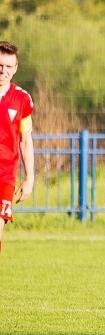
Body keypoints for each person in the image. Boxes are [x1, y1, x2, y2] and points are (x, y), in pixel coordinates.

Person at [0, 41, 35, 255]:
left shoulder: (22, 99)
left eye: (8, 67)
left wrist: (29, 177)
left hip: (4, 176)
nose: (3, 71)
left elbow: (25, 140)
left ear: (16, 68)